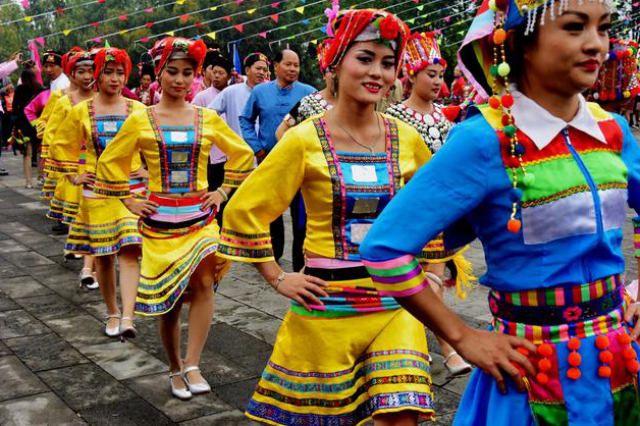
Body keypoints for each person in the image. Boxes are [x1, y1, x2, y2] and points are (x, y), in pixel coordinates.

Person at [360, 0, 640, 424]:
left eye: (603, 28)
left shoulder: (612, 131)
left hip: (619, 360)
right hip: (529, 369)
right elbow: (384, 249)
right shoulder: (484, 140)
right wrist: (462, 336)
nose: (595, 44)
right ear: (521, 44)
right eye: (574, 26)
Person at [218, 9, 439, 426]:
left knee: (402, 415)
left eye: (388, 63)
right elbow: (244, 209)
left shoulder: (407, 139)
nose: (377, 72)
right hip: (326, 302)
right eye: (365, 58)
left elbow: (433, 210)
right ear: (336, 63)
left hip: (394, 302)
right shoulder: (304, 138)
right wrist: (278, 277)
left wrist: (430, 267)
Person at [93, 37, 254, 400]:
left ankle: (194, 363)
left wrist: (223, 191)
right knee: (170, 299)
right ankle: (174, 366)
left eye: (186, 73)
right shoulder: (141, 118)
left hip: (200, 219)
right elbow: (109, 163)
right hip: (160, 223)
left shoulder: (207, 117)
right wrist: (129, 199)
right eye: (172, 72)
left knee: (204, 286)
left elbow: (242, 156)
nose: (179, 80)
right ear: (159, 74)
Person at [385, 31, 473, 377]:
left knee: (433, 282)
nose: (437, 81)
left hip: (441, 214)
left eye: (440, 75)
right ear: (412, 75)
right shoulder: (393, 116)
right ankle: (441, 347)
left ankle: (442, 347)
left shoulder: (444, 117)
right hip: (405, 210)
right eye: (430, 74)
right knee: (410, 283)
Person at [46, 47, 146, 340]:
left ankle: (128, 316)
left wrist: (149, 169)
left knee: (130, 252)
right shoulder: (80, 111)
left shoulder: (137, 109)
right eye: (108, 72)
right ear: (98, 74)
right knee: (103, 255)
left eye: (120, 73)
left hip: (131, 191)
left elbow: (156, 145)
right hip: (96, 191)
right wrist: (74, 174)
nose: (114, 79)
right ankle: (112, 311)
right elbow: (59, 143)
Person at [240, 48, 315, 263]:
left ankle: (301, 261)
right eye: (289, 64)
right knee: (271, 212)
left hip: (301, 164)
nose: (293, 69)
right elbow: (246, 120)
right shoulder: (260, 92)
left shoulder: (309, 93)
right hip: (269, 161)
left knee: (301, 215)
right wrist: (257, 148)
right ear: (276, 66)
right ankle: (274, 255)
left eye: (296, 65)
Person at [273, 40, 336, 273]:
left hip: (347, 181)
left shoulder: (357, 104)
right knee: (303, 230)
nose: (337, 75)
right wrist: (302, 161)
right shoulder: (309, 102)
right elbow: (281, 132)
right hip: (312, 179)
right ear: (325, 71)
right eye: (332, 69)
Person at [43, 50, 99, 288]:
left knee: (93, 219)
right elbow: (52, 133)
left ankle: (88, 265)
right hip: (77, 166)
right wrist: (63, 168)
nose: (87, 76)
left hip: (101, 168)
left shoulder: (105, 98)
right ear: (71, 74)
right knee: (85, 216)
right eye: (81, 71)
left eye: (90, 70)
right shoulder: (63, 100)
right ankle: (87, 264)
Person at [209, 52, 269, 137]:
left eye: (265, 70)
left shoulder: (269, 95)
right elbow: (210, 112)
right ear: (247, 70)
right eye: (258, 68)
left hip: (264, 149)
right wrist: (223, 134)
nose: (262, 72)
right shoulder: (231, 92)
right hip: (237, 148)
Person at [12, 64, 44, 188]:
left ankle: (28, 182)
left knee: (28, 154)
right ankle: (41, 178)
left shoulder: (19, 89)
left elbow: (15, 108)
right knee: (41, 152)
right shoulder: (40, 88)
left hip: (24, 126)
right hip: (38, 124)